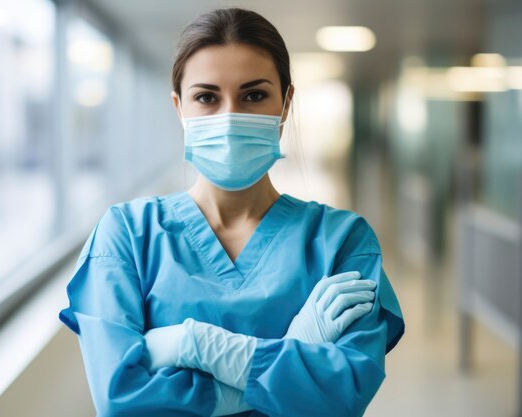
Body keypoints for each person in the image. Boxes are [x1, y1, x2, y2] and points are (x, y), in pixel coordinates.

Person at [59, 7, 404, 417]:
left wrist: (198, 345)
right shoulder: (127, 236)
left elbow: (344, 395)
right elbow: (121, 399)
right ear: (179, 108)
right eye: (206, 97)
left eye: (254, 95)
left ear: (286, 103)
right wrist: (292, 361)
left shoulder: (342, 242)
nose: (229, 117)